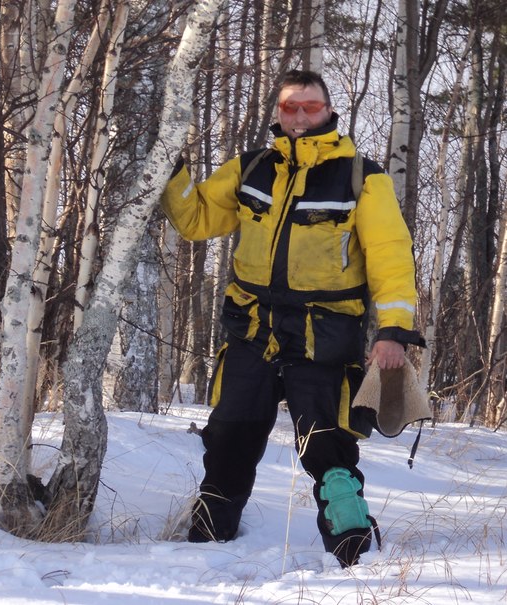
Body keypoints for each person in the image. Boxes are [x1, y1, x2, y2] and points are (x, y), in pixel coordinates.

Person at [160, 70, 424, 567]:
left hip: (324, 333)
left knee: (328, 446)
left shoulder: (361, 177)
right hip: (252, 328)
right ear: (277, 113)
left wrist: (393, 331)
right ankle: (207, 544)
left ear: (329, 112)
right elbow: (196, 220)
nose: (299, 116)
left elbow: (392, 257)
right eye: (290, 107)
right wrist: (167, 168)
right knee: (230, 437)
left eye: (310, 107)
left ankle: (356, 555)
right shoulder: (251, 167)